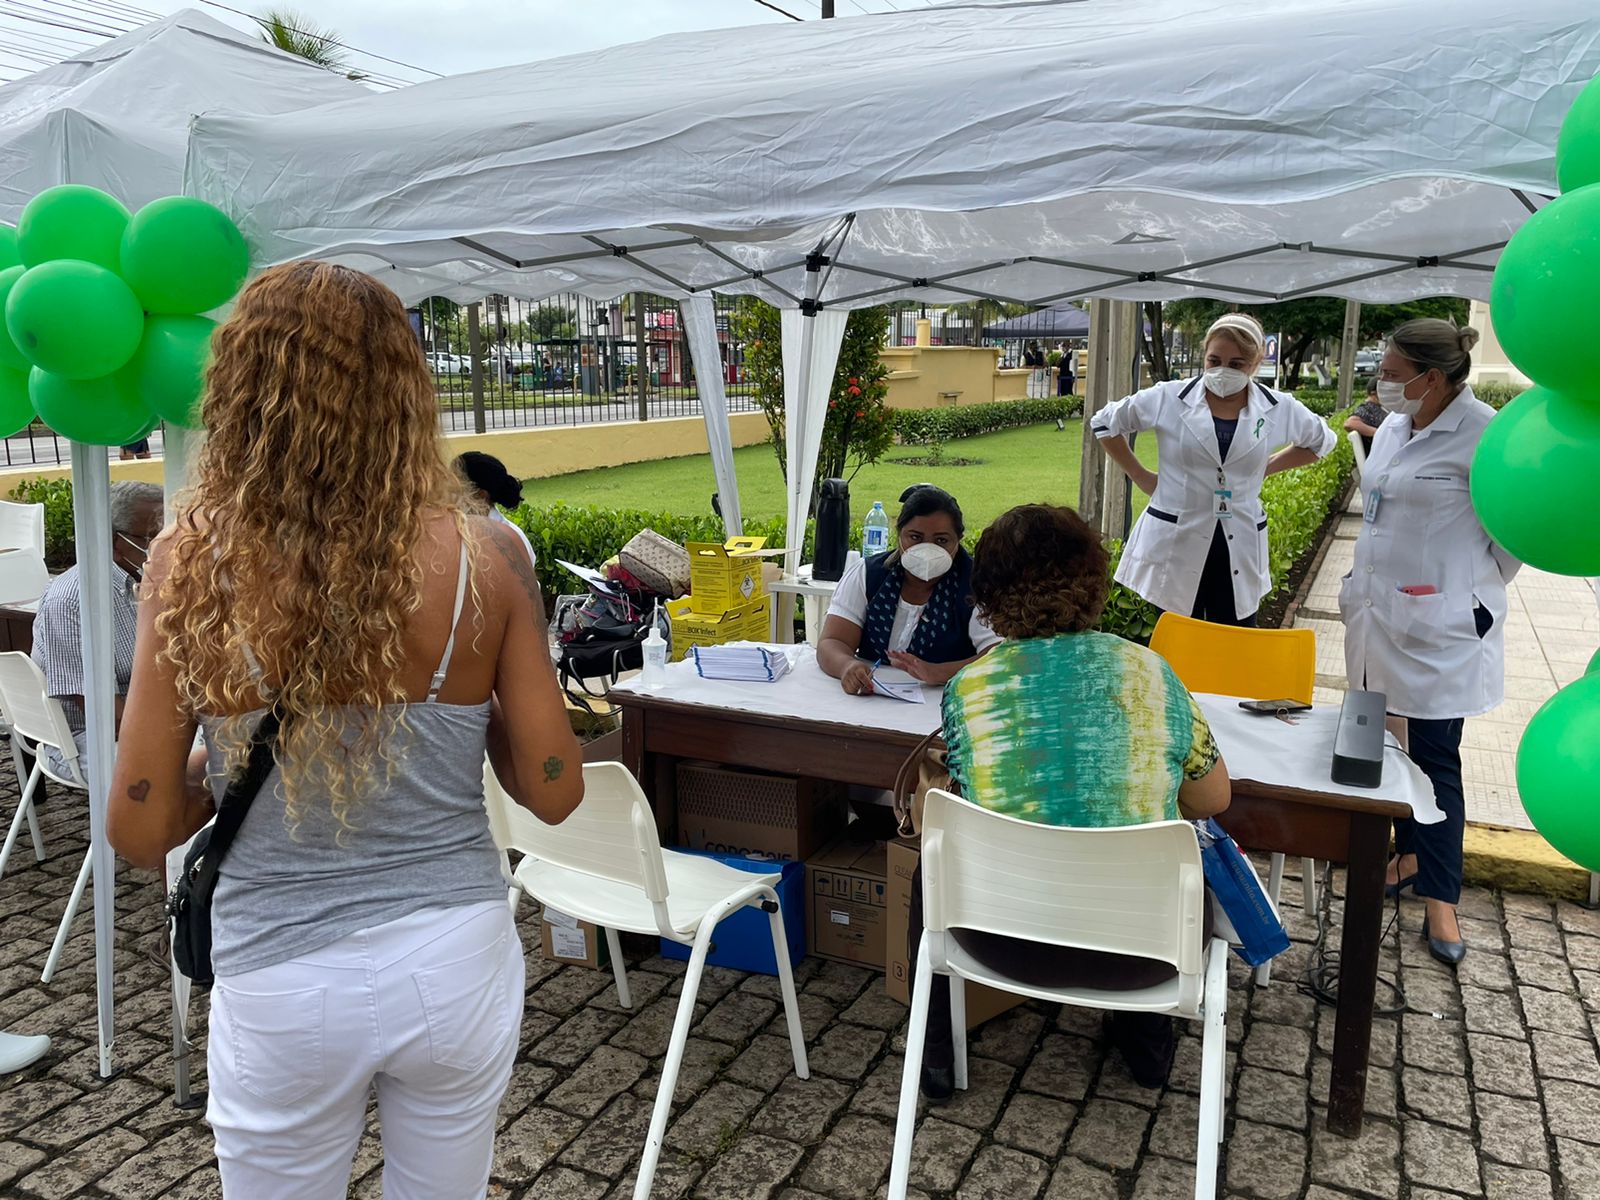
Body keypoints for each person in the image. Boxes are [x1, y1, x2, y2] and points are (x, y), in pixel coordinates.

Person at [107, 262, 584, 1199]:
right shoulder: (485, 554)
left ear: (240, 387)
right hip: (453, 954)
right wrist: (463, 715)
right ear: (406, 390)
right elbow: (555, 790)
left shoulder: (189, 558)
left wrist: (216, 773)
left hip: (281, 973)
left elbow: (139, 826)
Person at [908, 503, 1231, 1100]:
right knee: (1168, 867)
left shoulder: (967, 689)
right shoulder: (1151, 673)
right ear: (1093, 580)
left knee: (931, 869)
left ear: (988, 598)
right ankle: (1146, 1050)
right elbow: (1213, 797)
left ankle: (933, 1059)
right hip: (1144, 956)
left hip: (998, 942)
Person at [1339, 320, 1516, 967]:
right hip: (1375, 616)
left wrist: (1459, 595)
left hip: (1437, 627)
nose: (1381, 383)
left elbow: (1509, 540)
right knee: (1384, 746)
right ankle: (1410, 855)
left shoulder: (1485, 437)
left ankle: (1442, 899)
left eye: (1391, 373)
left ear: (1432, 378)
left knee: (1436, 759)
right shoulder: (1394, 426)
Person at [1092, 312, 1337, 627]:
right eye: (1214, 360)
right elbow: (1104, 423)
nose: (1223, 370)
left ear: (1255, 363)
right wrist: (1140, 476)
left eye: (1236, 364)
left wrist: (1265, 468)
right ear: (1204, 356)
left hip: (1238, 543)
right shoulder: (1169, 397)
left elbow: (1322, 441)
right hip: (1177, 540)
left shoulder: (1278, 407)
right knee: (1179, 641)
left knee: (1235, 640)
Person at [31, 480, 163, 785]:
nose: (164, 546)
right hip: (87, 738)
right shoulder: (73, 601)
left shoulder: (146, 579)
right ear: (115, 540)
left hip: (147, 717)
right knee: (199, 767)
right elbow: (103, 714)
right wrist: (175, 734)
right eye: (153, 537)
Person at [817, 485, 1001, 695]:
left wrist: (939, 673)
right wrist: (847, 666)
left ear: (958, 540)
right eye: (915, 537)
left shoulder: (979, 584)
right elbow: (832, 641)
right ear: (899, 535)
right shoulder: (868, 574)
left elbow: (998, 657)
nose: (927, 548)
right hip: (870, 697)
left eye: (941, 540)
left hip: (947, 700)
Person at [455, 451, 536, 569]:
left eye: (454, 487)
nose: (445, 492)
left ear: (481, 495)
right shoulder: (452, 531)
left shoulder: (510, 538)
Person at [1344, 379, 1387, 457]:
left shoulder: (1378, 407)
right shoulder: (1366, 408)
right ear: (1374, 393)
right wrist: (1380, 433)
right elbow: (1349, 423)